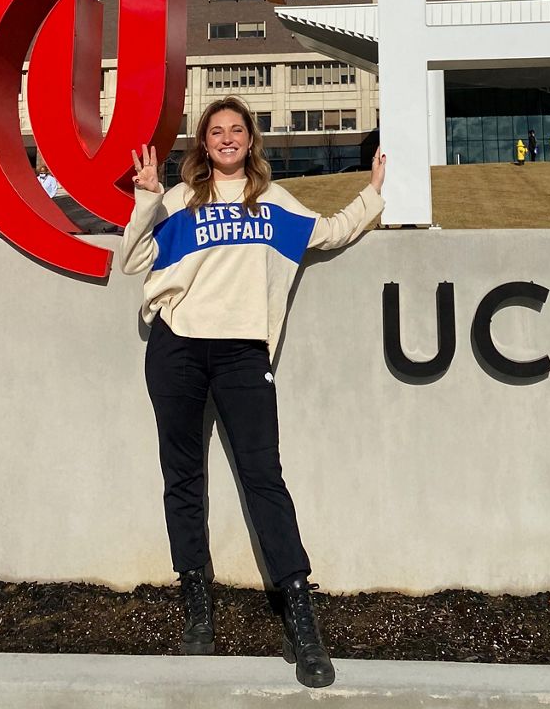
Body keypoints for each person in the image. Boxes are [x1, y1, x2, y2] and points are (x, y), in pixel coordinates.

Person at [118, 96, 386, 689]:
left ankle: (301, 619)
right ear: (204, 143)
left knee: (265, 479)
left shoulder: (272, 204)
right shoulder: (180, 201)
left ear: (251, 141)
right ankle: (197, 605)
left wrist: (373, 193)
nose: (228, 138)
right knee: (183, 477)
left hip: (242, 353)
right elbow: (132, 258)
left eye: (237, 129)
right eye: (217, 131)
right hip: (178, 348)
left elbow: (332, 232)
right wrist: (145, 198)